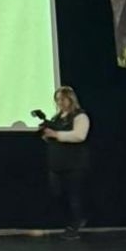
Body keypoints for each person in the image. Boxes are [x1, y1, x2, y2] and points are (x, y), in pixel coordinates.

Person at [40, 85, 90, 239]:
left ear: (70, 99)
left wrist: (56, 134)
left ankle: (76, 224)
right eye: (57, 100)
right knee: (58, 194)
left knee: (73, 196)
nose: (60, 102)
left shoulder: (80, 116)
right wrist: (47, 135)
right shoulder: (57, 117)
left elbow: (79, 136)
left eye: (63, 99)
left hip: (74, 164)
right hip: (57, 163)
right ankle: (71, 221)